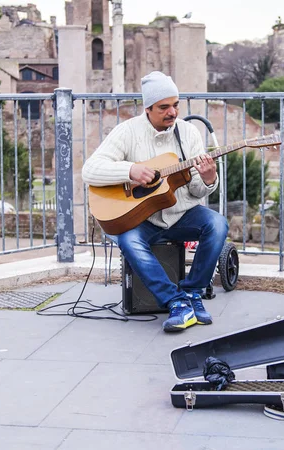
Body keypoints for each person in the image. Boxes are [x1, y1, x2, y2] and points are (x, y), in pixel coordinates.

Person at [82, 71, 228, 333]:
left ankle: (193, 292)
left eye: (175, 105)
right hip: (143, 218)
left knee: (217, 224)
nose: (172, 112)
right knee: (128, 240)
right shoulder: (127, 132)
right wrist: (130, 171)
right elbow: (90, 169)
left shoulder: (189, 133)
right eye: (164, 107)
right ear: (147, 108)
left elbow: (197, 192)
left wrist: (208, 178)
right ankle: (176, 302)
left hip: (182, 214)